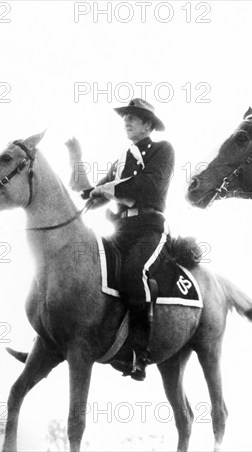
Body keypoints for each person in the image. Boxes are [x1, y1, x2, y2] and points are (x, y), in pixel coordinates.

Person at [78, 98, 175, 380]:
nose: (127, 122)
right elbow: (98, 192)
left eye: (133, 118)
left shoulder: (162, 150)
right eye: (125, 118)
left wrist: (107, 189)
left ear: (148, 125)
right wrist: (89, 191)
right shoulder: (121, 159)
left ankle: (139, 352)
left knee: (134, 273)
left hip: (149, 228)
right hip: (120, 230)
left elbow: (151, 186)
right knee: (84, 266)